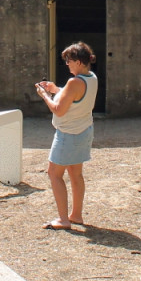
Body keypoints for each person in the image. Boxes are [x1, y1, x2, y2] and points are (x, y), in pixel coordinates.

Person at [34, 41, 98, 230]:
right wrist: (55, 89)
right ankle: (76, 215)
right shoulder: (91, 77)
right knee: (76, 174)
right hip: (84, 131)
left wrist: (45, 95)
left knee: (54, 174)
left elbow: (58, 109)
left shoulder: (74, 82)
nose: (67, 64)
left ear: (78, 61)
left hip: (68, 134)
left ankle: (63, 219)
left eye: (69, 61)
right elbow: (74, 95)